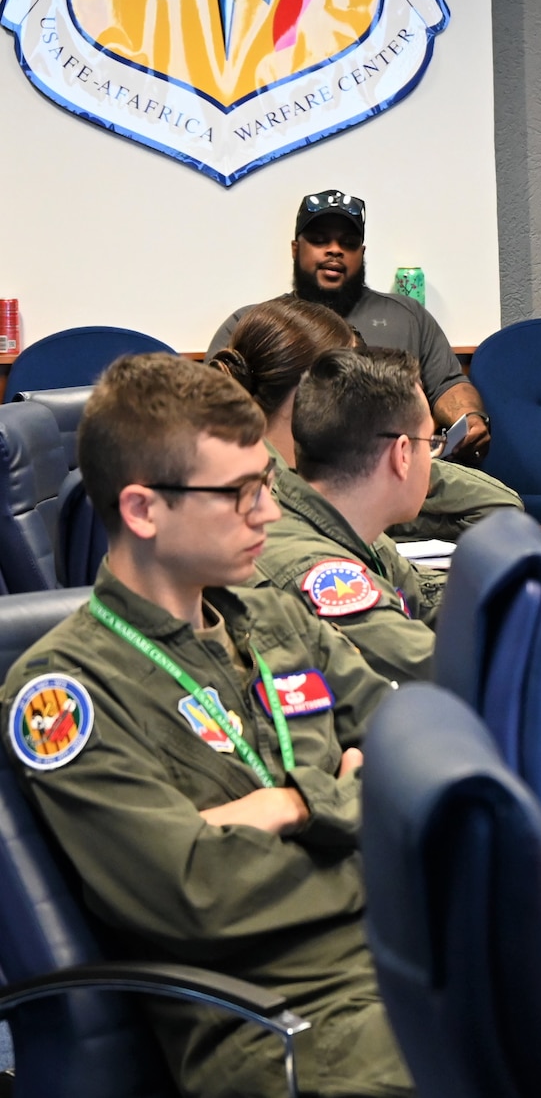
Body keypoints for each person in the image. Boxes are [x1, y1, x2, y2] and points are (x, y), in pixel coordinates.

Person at [2, 354, 412, 1097]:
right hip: (283, 1025)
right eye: (240, 494)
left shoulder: (273, 615)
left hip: (407, 956)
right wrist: (343, 808)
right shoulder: (63, 695)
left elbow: (408, 745)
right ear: (142, 509)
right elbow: (195, 888)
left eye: (269, 482)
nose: (272, 513)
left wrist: (285, 810)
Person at [250, 348, 541, 684]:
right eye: (431, 442)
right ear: (402, 455)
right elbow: (437, 673)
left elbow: (433, 600)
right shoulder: (319, 574)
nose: (432, 457)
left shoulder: (359, 534)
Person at [207, 190, 493, 462]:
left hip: (394, 473)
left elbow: (448, 383)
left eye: (348, 242)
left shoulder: (408, 317)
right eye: (319, 240)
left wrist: (469, 418)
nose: (335, 250)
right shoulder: (255, 323)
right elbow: (210, 404)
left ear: (362, 251)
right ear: (296, 249)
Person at [210, 296, 523, 542]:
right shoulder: (280, 505)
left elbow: (501, 508)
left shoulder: (321, 485)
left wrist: (398, 457)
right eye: (350, 380)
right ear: (307, 393)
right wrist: (400, 453)